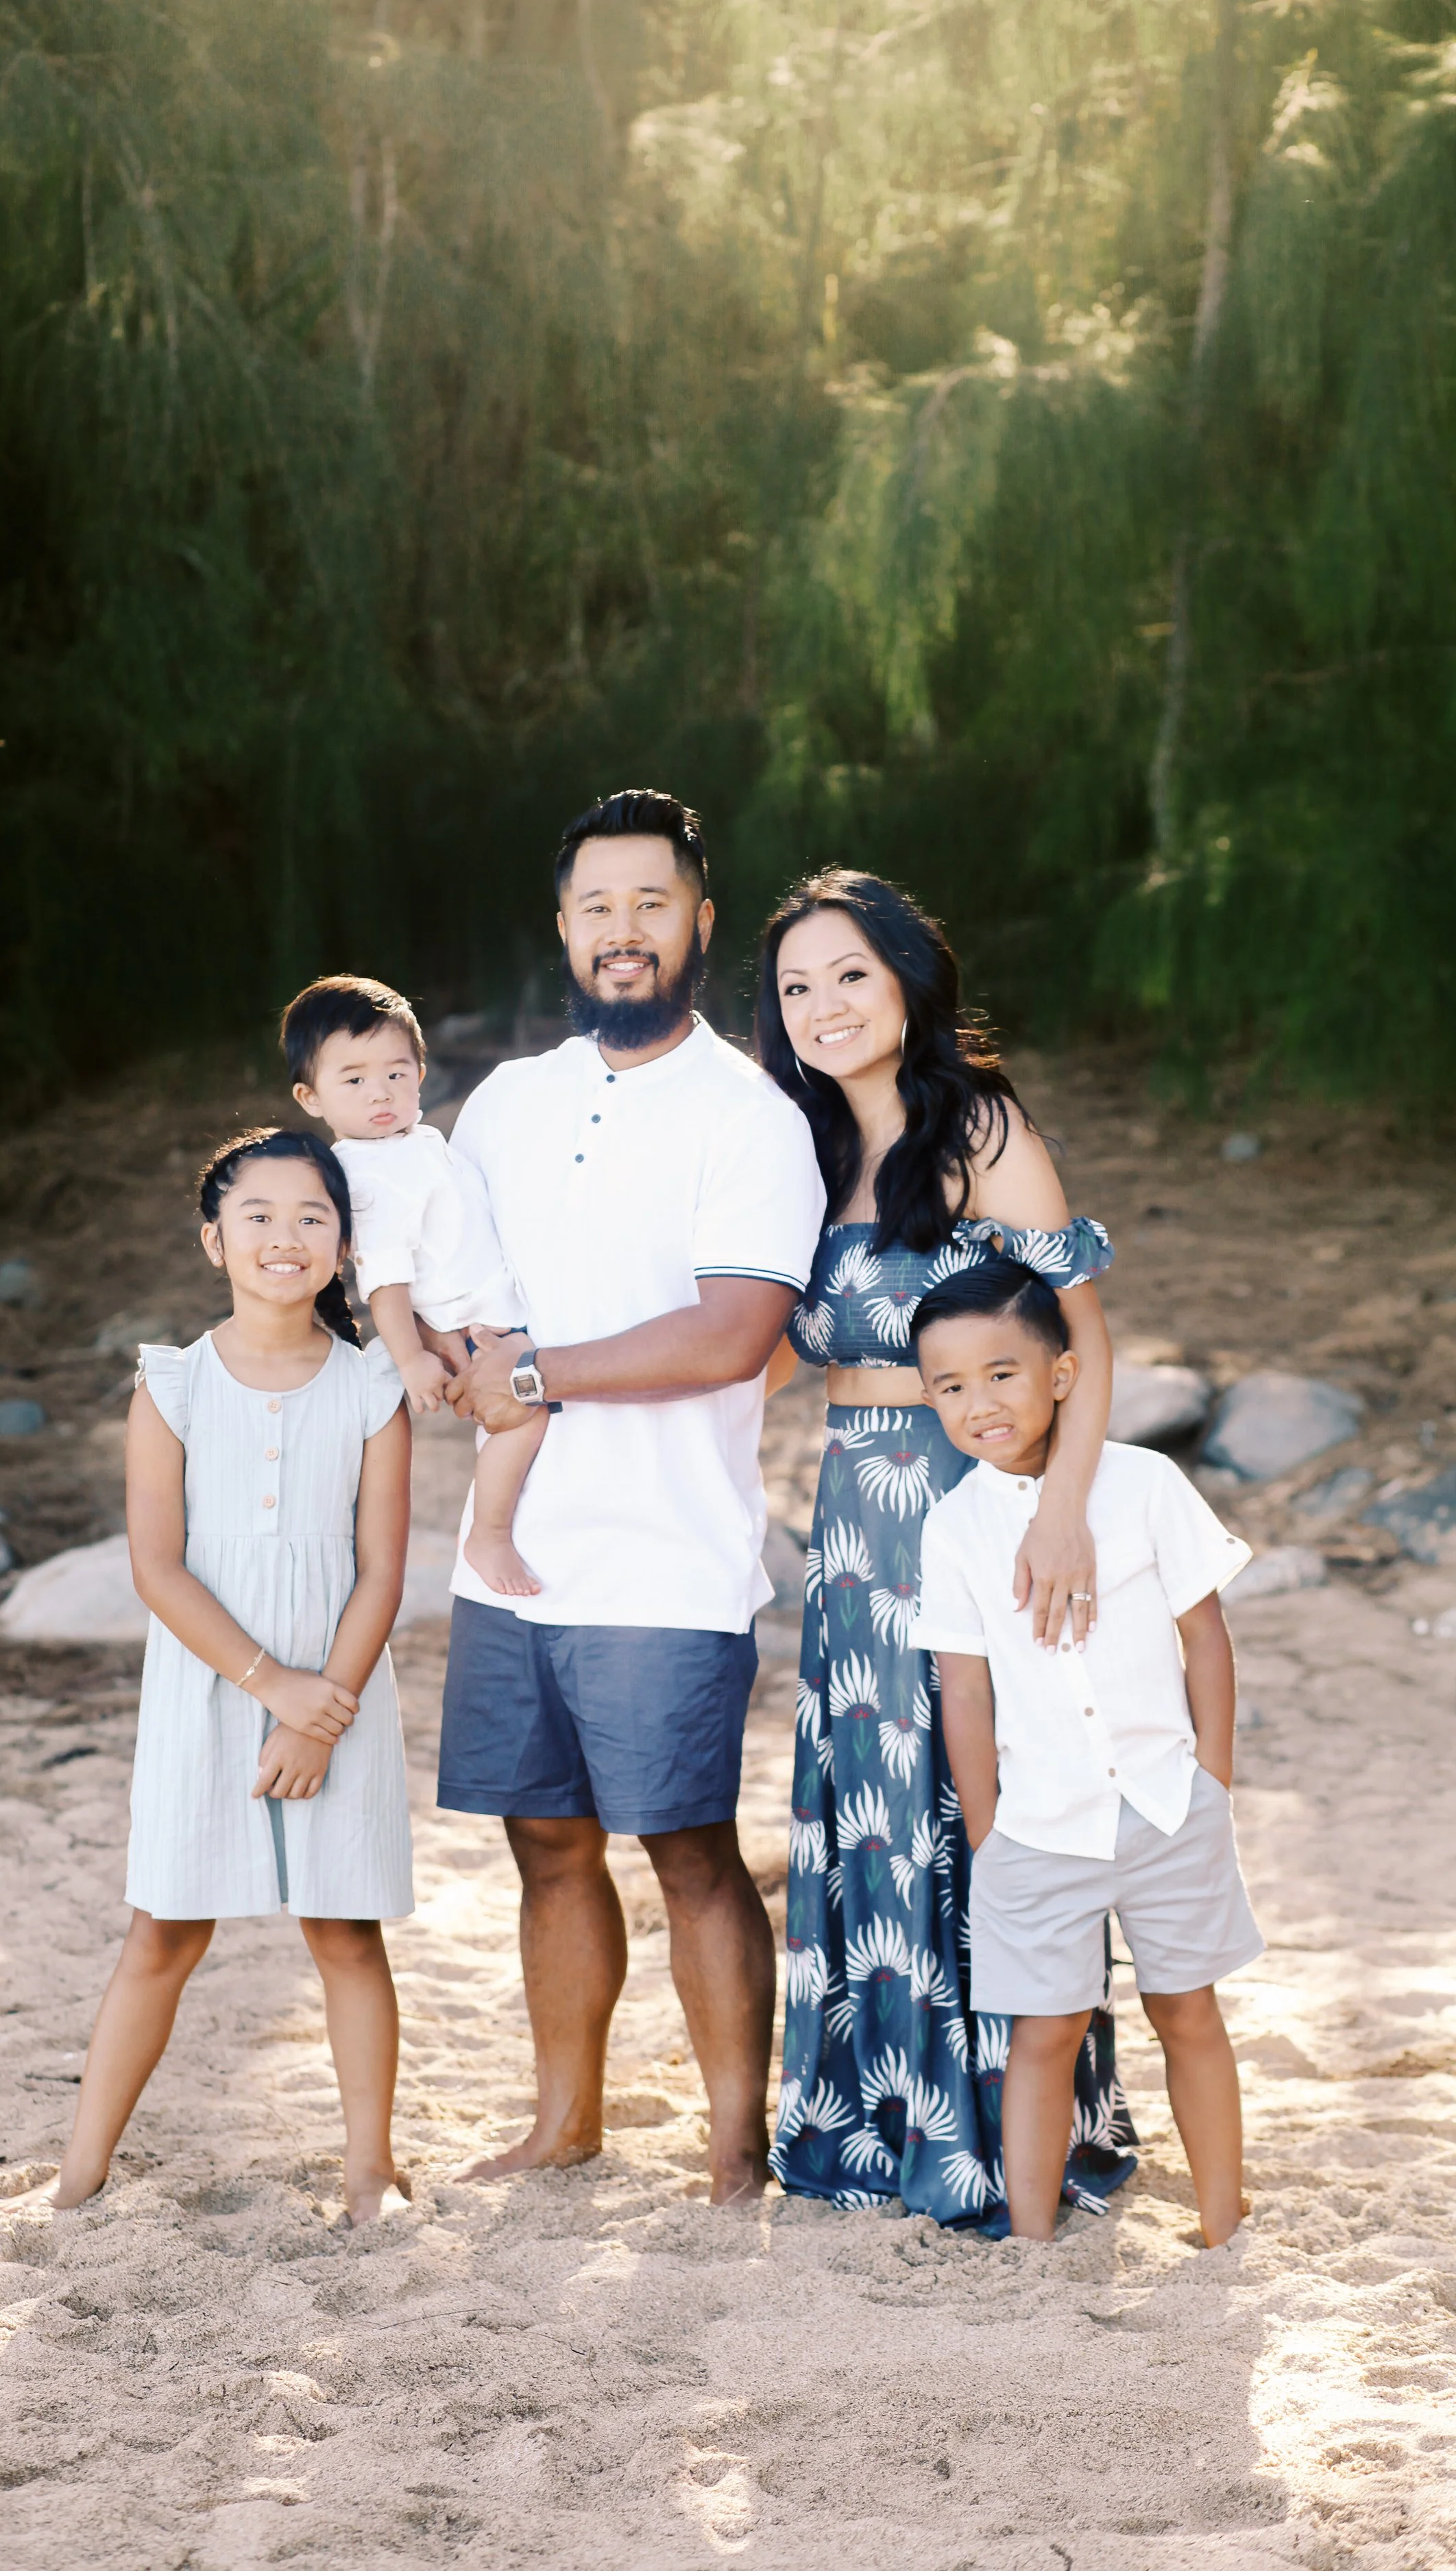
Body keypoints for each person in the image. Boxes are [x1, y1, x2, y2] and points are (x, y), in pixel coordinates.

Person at [439, 788, 827, 2203]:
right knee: (543, 1844)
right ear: (561, 926)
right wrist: (441, 1356)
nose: (621, 932)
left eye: (648, 904)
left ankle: (731, 2148)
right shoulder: (504, 1102)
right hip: (512, 1555)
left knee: (686, 1849)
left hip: (667, 1555)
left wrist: (530, 1370)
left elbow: (732, 1335)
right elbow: (451, 1292)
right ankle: (566, 2119)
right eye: (595, 907)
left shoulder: (747, 1115)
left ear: (698, 919)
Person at [757, 868, 1136, 2226]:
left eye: (848, 973)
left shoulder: (972, 1124)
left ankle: (1002, 2139)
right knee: (867, 1801)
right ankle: (874, 2132)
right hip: (851, 1514)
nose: (822, 1006)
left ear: (909, 978)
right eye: (795, 986)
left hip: (975, 1505)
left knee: (981, 1805)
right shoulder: (794, 1148)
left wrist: (1060, 1508)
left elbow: (1083, 1341)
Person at [50, 1128, 415, 2226]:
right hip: (210, 1686)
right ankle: (79, 2173)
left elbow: (384, 1569)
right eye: (256, 1215)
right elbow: (156, 1567)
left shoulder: (372, 1388)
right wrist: (272, 1687)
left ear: (344, 1244)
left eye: (312, 1216)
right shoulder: (174, 1384)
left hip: (340, 1695)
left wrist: (320, 1714)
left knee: (345, 1929)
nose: (283, 1237)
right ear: (215, 1238)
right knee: (163, 1928)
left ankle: (368, 2170)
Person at [908, 1256, 1261, 2245]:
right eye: (950, 1385)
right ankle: (1032, 2243)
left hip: (1165, 1803)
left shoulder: (1145, 1482)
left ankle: (1222, 2224)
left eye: (1001, 1373)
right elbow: (965, 1693)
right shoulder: (954, 1527)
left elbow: (1206, 1637)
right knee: (1046, 2033)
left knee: (1187, 2010)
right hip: (1036, 1827)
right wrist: (989, 1831)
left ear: (1062, 1374)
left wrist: (1213, 1781)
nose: (979, 1401)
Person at [283, 971, 548, 1597]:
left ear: (421, 1074)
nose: (381, 1093)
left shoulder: (412, 1142)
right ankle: (488, 1534)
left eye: (396, 1073)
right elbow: (385, 1284)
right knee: (525, 1420)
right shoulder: (368, 1174)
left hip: (495, 1310)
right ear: (310, 1097)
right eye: (353, 1080)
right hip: (471, 1324)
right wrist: (411, 1360)